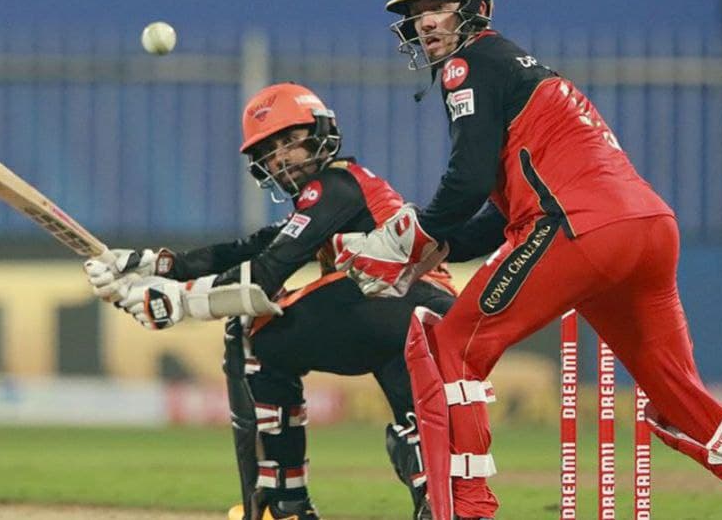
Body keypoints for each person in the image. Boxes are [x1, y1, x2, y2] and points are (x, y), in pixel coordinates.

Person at [333, 0, 722, 520]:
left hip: (580, 228)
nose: (425, 21)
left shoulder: (468, 66)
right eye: (416, 12)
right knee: (682, 404)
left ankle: (468, 511)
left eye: (438, 6)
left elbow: (466, 182)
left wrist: (407, 236)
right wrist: (443, 246)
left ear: (476, 8)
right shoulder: (521, 71)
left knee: (449, 347)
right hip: (646, 228)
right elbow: (500, 214)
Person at [83, 83, 471, 520]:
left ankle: (283, 505)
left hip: (397, 304)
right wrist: (153, 265)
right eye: (269, 151)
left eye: (290, 141)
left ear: (321, 133)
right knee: (419, 439)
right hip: (428, 319)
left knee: (256, 332)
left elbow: (265, 274)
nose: (281, 158)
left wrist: (177, 301)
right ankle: (441, 507)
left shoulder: (334, 187)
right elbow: (246, 250)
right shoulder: (337, 194)